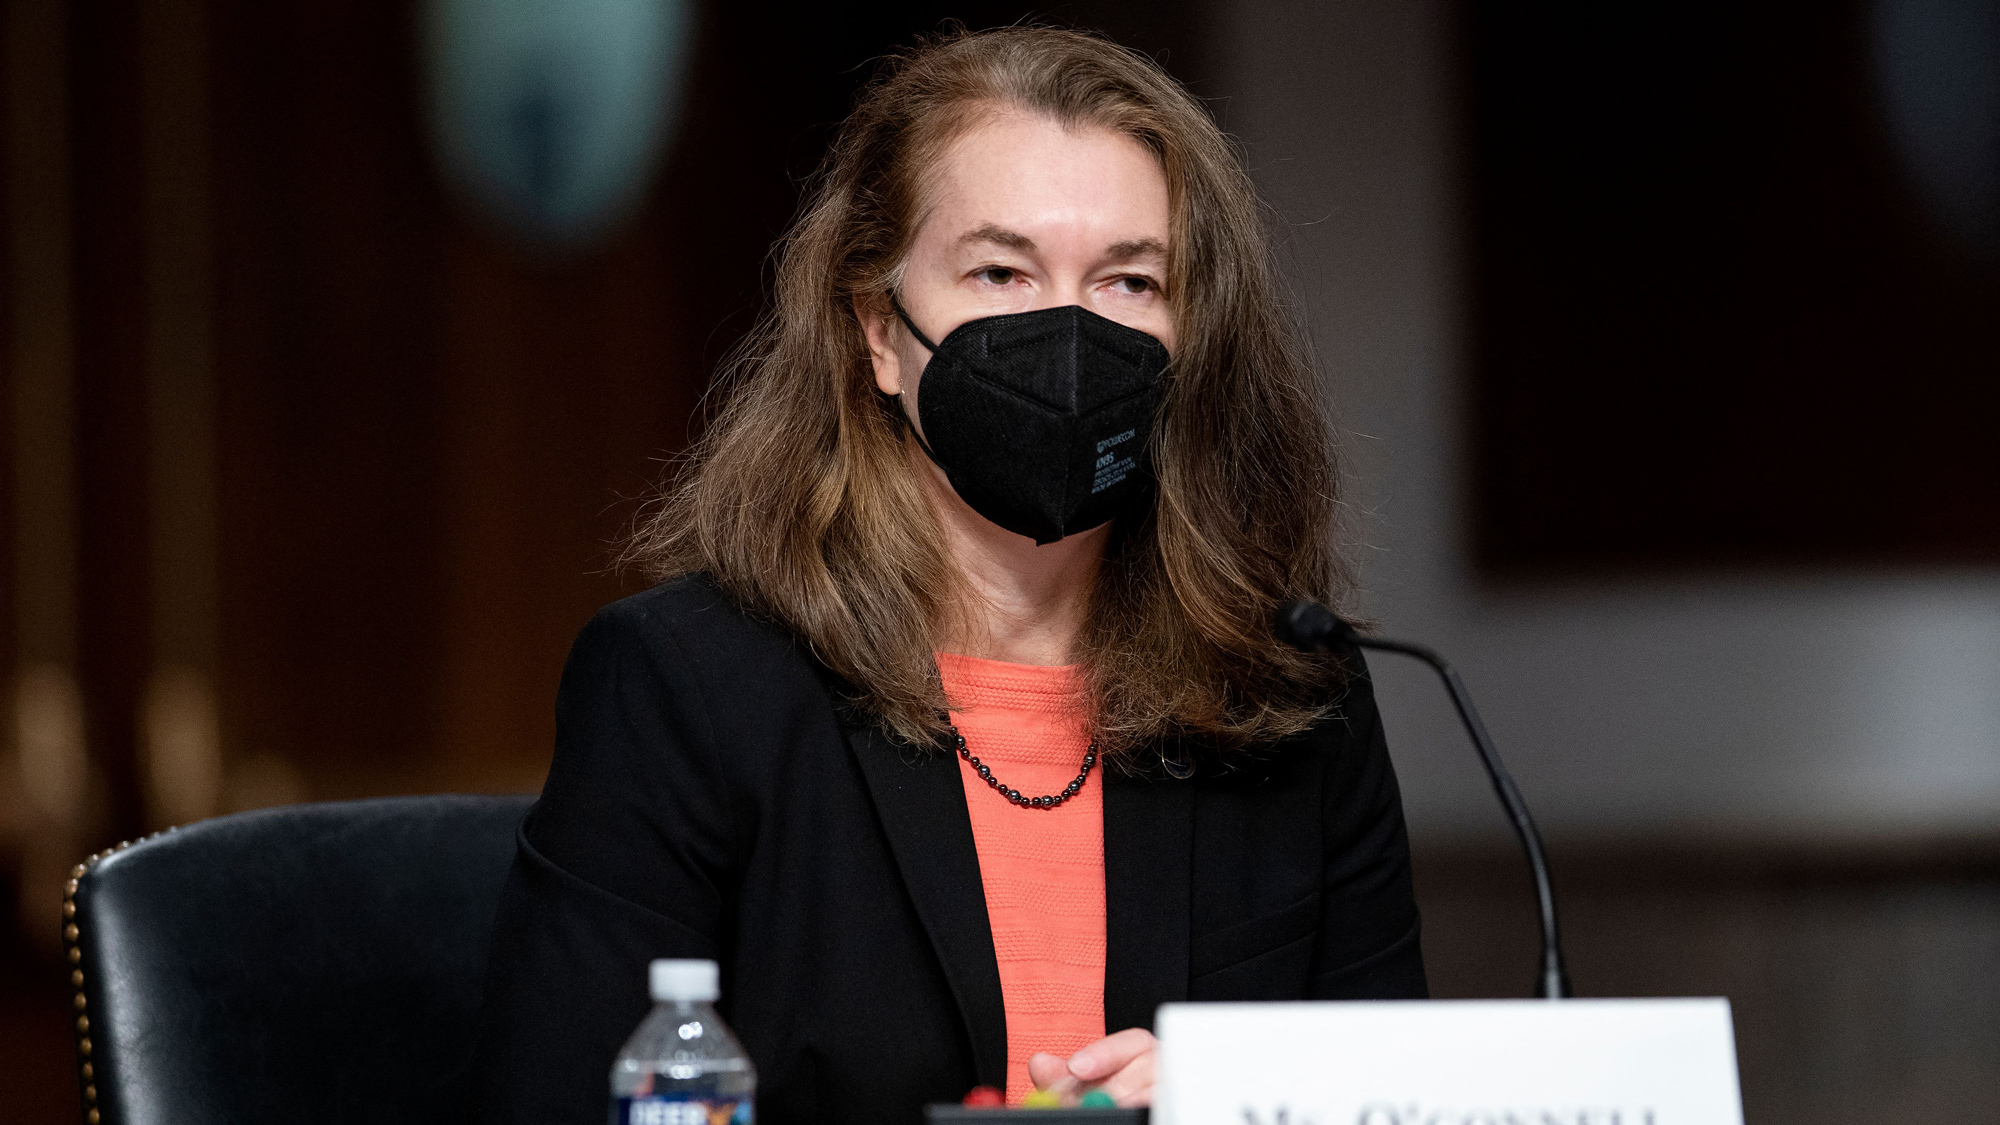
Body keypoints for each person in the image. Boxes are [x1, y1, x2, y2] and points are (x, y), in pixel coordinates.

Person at [472, 25, 1425, 1125]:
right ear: (879, 331)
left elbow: (1388, 1092)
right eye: (999, 271)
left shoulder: (1291, 694)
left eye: (1127, 281)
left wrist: (1250, 1102)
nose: (1067, 330)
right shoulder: (687, 688)